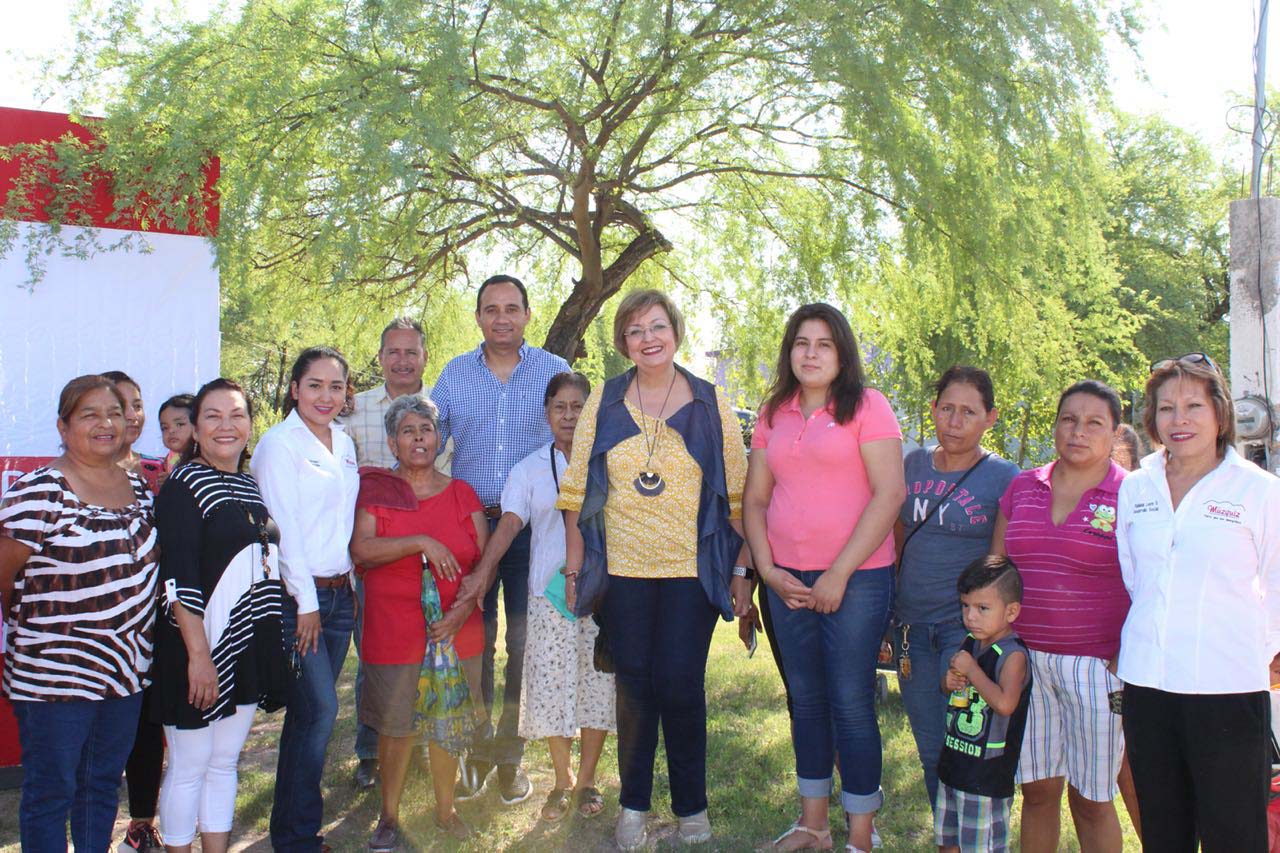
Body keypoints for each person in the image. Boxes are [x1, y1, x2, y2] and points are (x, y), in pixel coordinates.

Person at [559, 289, 751, 850]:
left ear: (677, 331)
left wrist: (742, 573)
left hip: (690, 571)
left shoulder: (710, 402)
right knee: (635, 689)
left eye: (658, 326)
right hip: (622, 572)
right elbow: (576, 492)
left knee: (682, 686)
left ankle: (693, 808)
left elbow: (737, 497)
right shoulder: (606, 398)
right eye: (636, 330)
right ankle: (633, 808)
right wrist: (574, 572)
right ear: (623, 341)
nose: (648, 338)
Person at [742, 303, 905, 853]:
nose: (810, 354)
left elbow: (891, 495)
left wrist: (838, 574)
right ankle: (814, 826)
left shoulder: (869, 407)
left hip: (857, 579)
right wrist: (767, 570)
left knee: (850, 701)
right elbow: (756, 500)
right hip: (786, 580)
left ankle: (861, 834)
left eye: (824, 344)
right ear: (790, 351)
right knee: (806, 701)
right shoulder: (773, 413)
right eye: (801, 343)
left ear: (842, 354)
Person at [1116, 353, 1280, 851]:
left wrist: (1263, 651)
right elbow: (1134, 577)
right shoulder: (1136, 488)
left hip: (1228, 688)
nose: (1179, 420)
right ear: (1152, 418)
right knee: (1164, 832)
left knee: (1234, 834)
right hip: (1148, 685)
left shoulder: (1258, 491)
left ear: (1220, 413)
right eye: (1166, 408)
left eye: (1193, 405)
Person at [0, 374, 159, 852]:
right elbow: (4, 578)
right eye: (89, 414)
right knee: (52, 793)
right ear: (63, 426)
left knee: (102, 786)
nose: (106, 423)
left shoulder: (136, 484)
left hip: (126, 674)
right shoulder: (39, 491)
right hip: (54, 681)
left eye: (113, 413)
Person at [432, 274, 570, 804]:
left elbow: (577, 439)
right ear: (478, 318)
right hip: (474, 530)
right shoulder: (455, 375)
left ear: (528, 316)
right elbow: (428, 442)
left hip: (535, 532)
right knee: (475, 646)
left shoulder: (553, 372)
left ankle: (509, 757)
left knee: (522, 645)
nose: (502, 318)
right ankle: (476, 751)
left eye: (512, 308)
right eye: (491, 309)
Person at [151, 378, 292, 853]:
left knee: (224, 763)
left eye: (237, 415)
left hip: (244, 646)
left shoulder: (248, 485)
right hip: (196, 649)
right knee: (189, 765)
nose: (226, 425)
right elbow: (177, 575)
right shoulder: (183, 485)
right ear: (194, 427)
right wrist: (199, 655)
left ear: (251, 424)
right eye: (213, 416)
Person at [990, 380, 1129, 853]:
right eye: (1069, 419)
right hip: (1025, 661)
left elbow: (1151, 584)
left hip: (1096, 667)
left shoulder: (1130, 496)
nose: (1079, 431)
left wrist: (1126, 653)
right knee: (1037, 790)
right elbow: (997, 572)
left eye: (1095, 423)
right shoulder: (1023, 486)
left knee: (1091, 797)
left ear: (1114, 433)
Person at [473, 371, 615, 824]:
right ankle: (562, 781)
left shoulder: (611, 461)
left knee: (598, 686)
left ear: (591, 410)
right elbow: (510, 523)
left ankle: (588, 780)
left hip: (605, 595)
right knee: (553, 687)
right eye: (560, 407)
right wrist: (483, 573)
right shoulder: (531, 467)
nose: (569, 415)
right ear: (546, 413)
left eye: (578, 406)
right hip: (549, 596)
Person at [349, 394, 488, 849]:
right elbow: (362, 550)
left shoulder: (463, 493)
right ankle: (388, 816)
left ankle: (446, 810)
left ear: (438, 437)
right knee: (396, 725)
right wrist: (421, 541)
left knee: (447, 722)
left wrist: (460, 612)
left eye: (425, 429)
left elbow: (481, 567)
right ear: (392, 442)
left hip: (457, 630)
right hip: (395, 631)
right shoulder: (376, 490)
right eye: (407, 431)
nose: (418, 438)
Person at [893, 366, 1019, 811]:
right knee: (930, 750)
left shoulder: (1003, 476)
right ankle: (948, 836)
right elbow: (895, 536)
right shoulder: (910, 465)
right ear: (933, 410)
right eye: (946, 408)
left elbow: (1000, 565)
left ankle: (975, 835)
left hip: (961, 630)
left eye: (969, 411)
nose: (954, 420)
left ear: (991, 418)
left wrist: (984, 637)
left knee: (964, 746)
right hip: (911, 629)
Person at [250, 346, 360, 852]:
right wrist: (306, 603)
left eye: (335, 386)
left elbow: (340, 521)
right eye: (314, 385)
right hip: (303, 600)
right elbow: (283, 530)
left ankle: (294, 832)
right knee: (318, 710)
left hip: (341, 594)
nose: (325, 395)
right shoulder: (279, 444)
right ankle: (296, 838)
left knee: (308, 716)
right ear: (295, 389)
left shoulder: (343, 441)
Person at [340, 316, 451, 789]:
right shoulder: (351, 409)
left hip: (430, 556)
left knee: (424, 653)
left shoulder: (441, 411)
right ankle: (371, 748)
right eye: (394, 352)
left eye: (412, 351)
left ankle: (418, 742)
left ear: (425, 357)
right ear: (381, 357)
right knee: (375, 653)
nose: (403, 360)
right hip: (373, 552)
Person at [101, 370, 167, 853]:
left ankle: (142, 825)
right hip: (98, 636)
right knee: (98, 744)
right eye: (119, 405)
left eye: (137, 404)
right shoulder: (77, 476)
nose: (131, 415)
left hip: (153, 627)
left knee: (147, 732)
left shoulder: (159, 473)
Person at [936, 556, 1033, 853]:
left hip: (987, 779)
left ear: (1011, 611)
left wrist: (973, 671)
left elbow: (1005, 704)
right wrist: (948, 682)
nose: (971, 616)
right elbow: (947, 688)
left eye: (982, 608)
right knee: (947, 842)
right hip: (954, 765)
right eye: (965, 606)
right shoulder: (970, 642)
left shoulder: (1012, 655)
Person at [159, 393, 196, 472]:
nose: (171, 430)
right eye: (165, 428)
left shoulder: (204, 460)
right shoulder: (170, 458)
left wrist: (172, 480)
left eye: (180, 424)